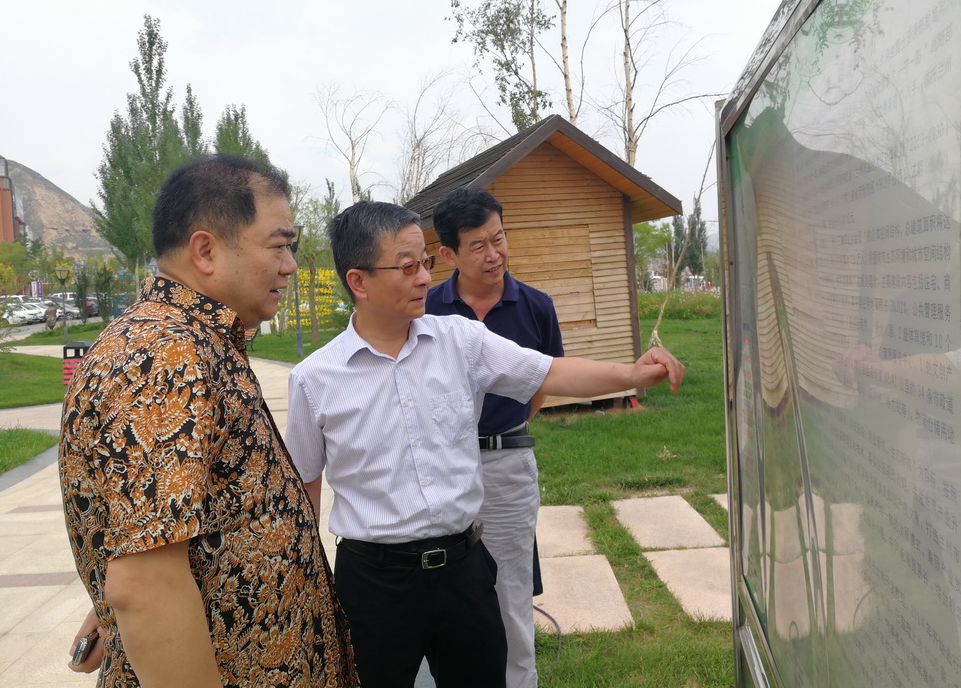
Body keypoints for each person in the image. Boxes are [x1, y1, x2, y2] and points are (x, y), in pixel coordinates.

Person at [284, 200, 684, 688]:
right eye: (407, 267)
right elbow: (304, 486)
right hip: (374, 582)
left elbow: (549, 371)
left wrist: (630, 373)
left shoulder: (461, 340)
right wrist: (307, 582)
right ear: (359, 282)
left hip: (464, 572)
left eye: (424, 263)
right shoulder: (315, 379)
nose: (424, 278)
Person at [58, 154, 358, 687]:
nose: (290, 264)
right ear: (205, 250)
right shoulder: (164, 356)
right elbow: (146, 587)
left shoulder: (192, 341)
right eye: (279, 245)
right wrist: (136, 608)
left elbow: (159, 536)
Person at [426, 187, 561, 688]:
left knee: (511, 592)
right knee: (438, 590)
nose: (494, 253)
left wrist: (510, 423)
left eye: (499, 238)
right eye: (478, 245)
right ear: (449, 254)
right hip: (440, 466)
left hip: (506, 465)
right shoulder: (427, 309)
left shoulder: (536, 306)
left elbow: (544, 380)